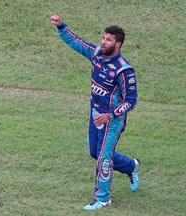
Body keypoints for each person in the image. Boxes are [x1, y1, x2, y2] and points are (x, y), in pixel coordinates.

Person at [50, 15, 140, 210]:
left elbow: (131, 100)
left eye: (108, 39)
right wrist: (61, 27)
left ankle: (102, 198)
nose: (103, 41)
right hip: (95, 114)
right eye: (103, 37)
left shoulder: (124, 70)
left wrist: (111, 115)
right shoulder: (97, 54)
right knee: (94, 152)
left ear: (118, 44)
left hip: (112, 120)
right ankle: (131, 166)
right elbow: (76, 42)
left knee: (104, 158)